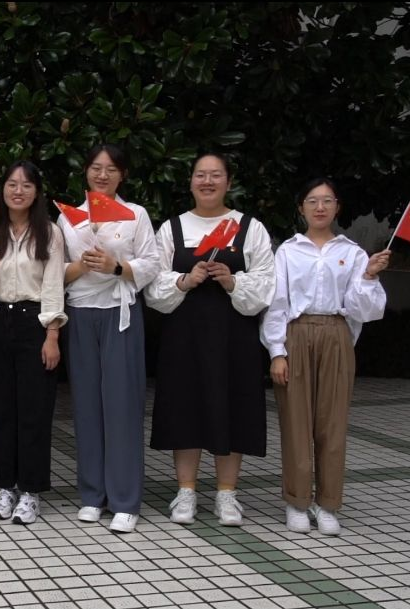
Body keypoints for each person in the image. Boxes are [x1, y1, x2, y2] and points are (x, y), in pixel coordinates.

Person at [145, 152, 275, 527]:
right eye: (200, 175)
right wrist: (185, 280)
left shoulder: (249, 227)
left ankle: (226, 494)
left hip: (234, 338)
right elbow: (153, 285)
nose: (207, 181)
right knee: (185, 408)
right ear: (190, 182)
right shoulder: (172, 228)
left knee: (232, 407)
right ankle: (185, 491)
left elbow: (267, 284)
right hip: (184, 338)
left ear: (228, 182)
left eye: (215, 175)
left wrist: (233, 282)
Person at [262, 178, 389, 535]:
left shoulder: (353, 252)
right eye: (312, 201)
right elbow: (277, 304)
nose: (320, 207)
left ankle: (328, 503)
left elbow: (364, 310)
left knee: (332, 424)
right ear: (301, 208)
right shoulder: (288, 251)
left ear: (337, 207)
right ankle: (297, 501)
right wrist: (277, 352)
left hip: (336, 333)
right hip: (297, 332)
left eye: (327, 201)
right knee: (296, 422)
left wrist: (369, 276)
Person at [58, 144, 159, 534]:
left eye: (111, 169)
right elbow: (54, 271)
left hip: (120, 313)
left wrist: (117, 266)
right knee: (86, 405)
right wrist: (82, 266)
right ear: (86, 171)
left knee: (122, 406)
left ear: (123, 175)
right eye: (96, 168)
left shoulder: (136, 215)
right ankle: (91, 494)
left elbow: (151, 263)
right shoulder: (69, 217)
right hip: (81, 312)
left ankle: (125, 500)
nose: (103, 175)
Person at [0, 160, 66, 526]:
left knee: (34, 410)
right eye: (12, 184)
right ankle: (5, 487)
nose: (18, 191)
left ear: (36, 192)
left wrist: (52, 334)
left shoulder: (49, 233)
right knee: (0, 410)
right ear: (2, 190)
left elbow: (54, 285)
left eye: (26, 185)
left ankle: (30, 491)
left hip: (34, 322)